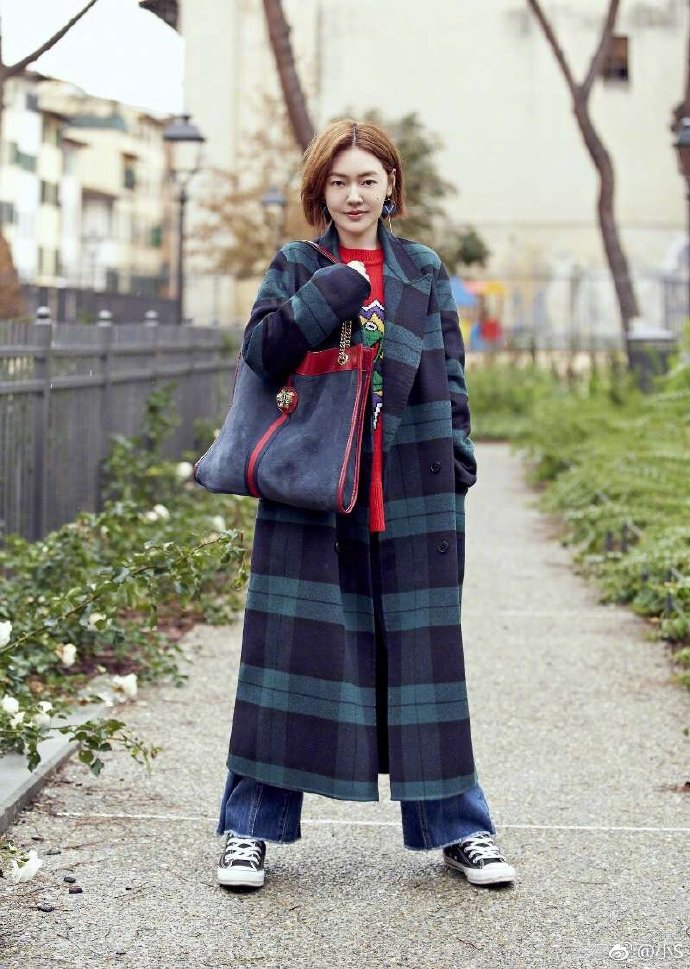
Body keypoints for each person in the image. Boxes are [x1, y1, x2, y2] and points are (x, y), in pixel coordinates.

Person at [214, 118, 516, 891]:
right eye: (340, 181)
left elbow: (450, 375)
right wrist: (331, 293)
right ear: (321, 190)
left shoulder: (422, 268)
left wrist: (458, 463)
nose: (354, 195)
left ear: (391, 187)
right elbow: (261, 354)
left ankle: (461, 829)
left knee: (425, 669)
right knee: (287, 663)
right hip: (312, 491)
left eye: (367, 180)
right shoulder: (298, 264)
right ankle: (248, 830)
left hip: (411, 493)